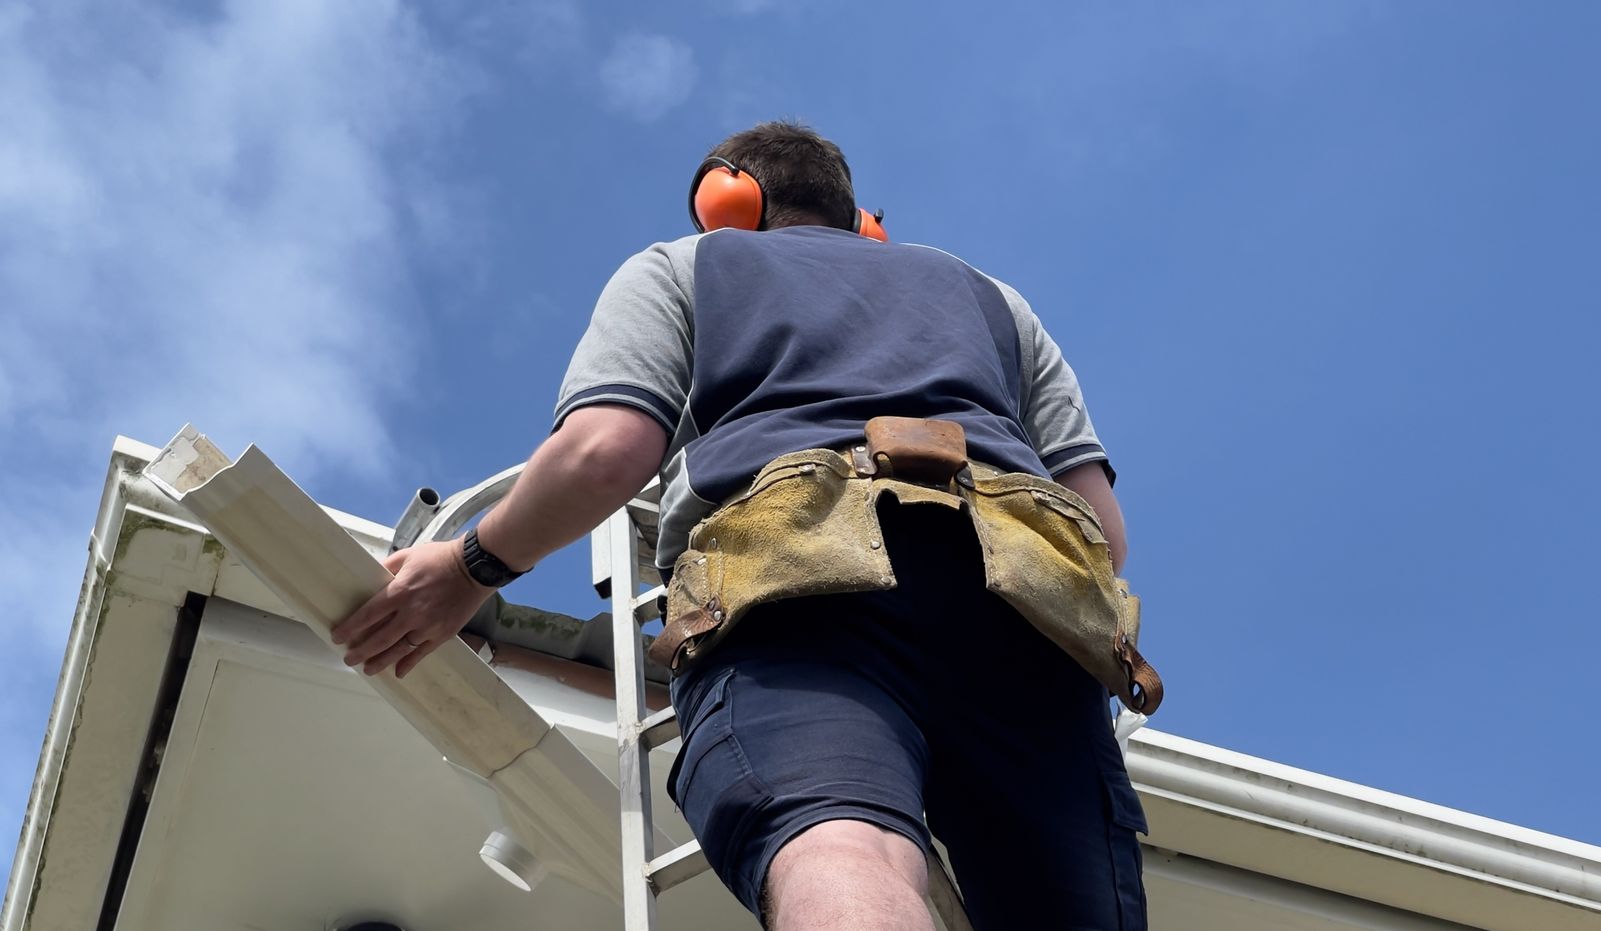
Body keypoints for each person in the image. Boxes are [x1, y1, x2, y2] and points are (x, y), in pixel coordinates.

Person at [332, 121, 1160, 931]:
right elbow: (1102, 532)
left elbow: (605, 452)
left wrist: (469, 564)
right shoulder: (993, 299)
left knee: (850, 852)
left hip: (798, 587)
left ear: (730, 202)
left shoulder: (687, 265)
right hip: (1030, 607)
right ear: (861, 220)